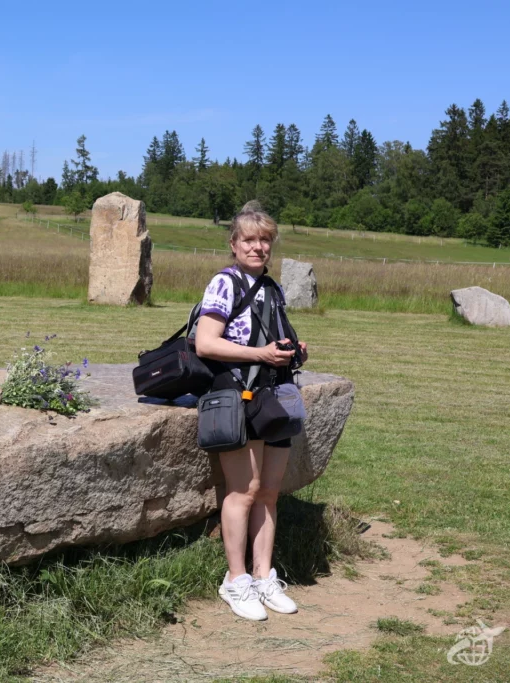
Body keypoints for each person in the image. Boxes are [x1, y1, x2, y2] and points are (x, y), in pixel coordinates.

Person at [193, 208, 308, 622]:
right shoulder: (224, 283)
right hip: (236, 393)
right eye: (249, 240)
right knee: (244, 490)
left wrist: (291, 349)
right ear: (234, 244)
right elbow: (206, 343)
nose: (258, 247)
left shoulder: (272, 287)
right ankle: (235, 580)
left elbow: (268, 335)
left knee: (269, 492)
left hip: (273, 395)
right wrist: (261, 354)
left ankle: (263, 577)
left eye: (265, 240)